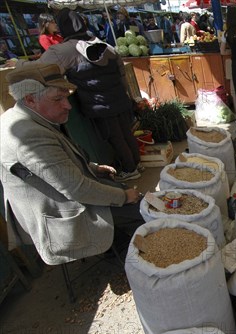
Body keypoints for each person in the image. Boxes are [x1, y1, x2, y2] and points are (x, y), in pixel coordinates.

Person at [0, 62, 143, 266]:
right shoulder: (28, 135)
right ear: (30, 99)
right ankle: (124, 251)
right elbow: (76, 189)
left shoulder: (25, 117)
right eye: (58, 99)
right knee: (144, 209)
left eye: (66, 97)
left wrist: (92, 167)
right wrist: (124, 196)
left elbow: (56, 165)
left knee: (125, 194)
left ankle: (117, 243)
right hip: (59, 213)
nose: (67, 105)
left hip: (63, 195)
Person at [11, 9, 143, 181]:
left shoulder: (63, 51)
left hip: (99, 103)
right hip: (119, 98)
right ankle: (136, 164)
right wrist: (128, 96)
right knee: (126, 132)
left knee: (114, 136)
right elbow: (122, 74)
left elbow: (39, 69)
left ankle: (130, 169)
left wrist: (18, 64)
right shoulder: (105, 46)